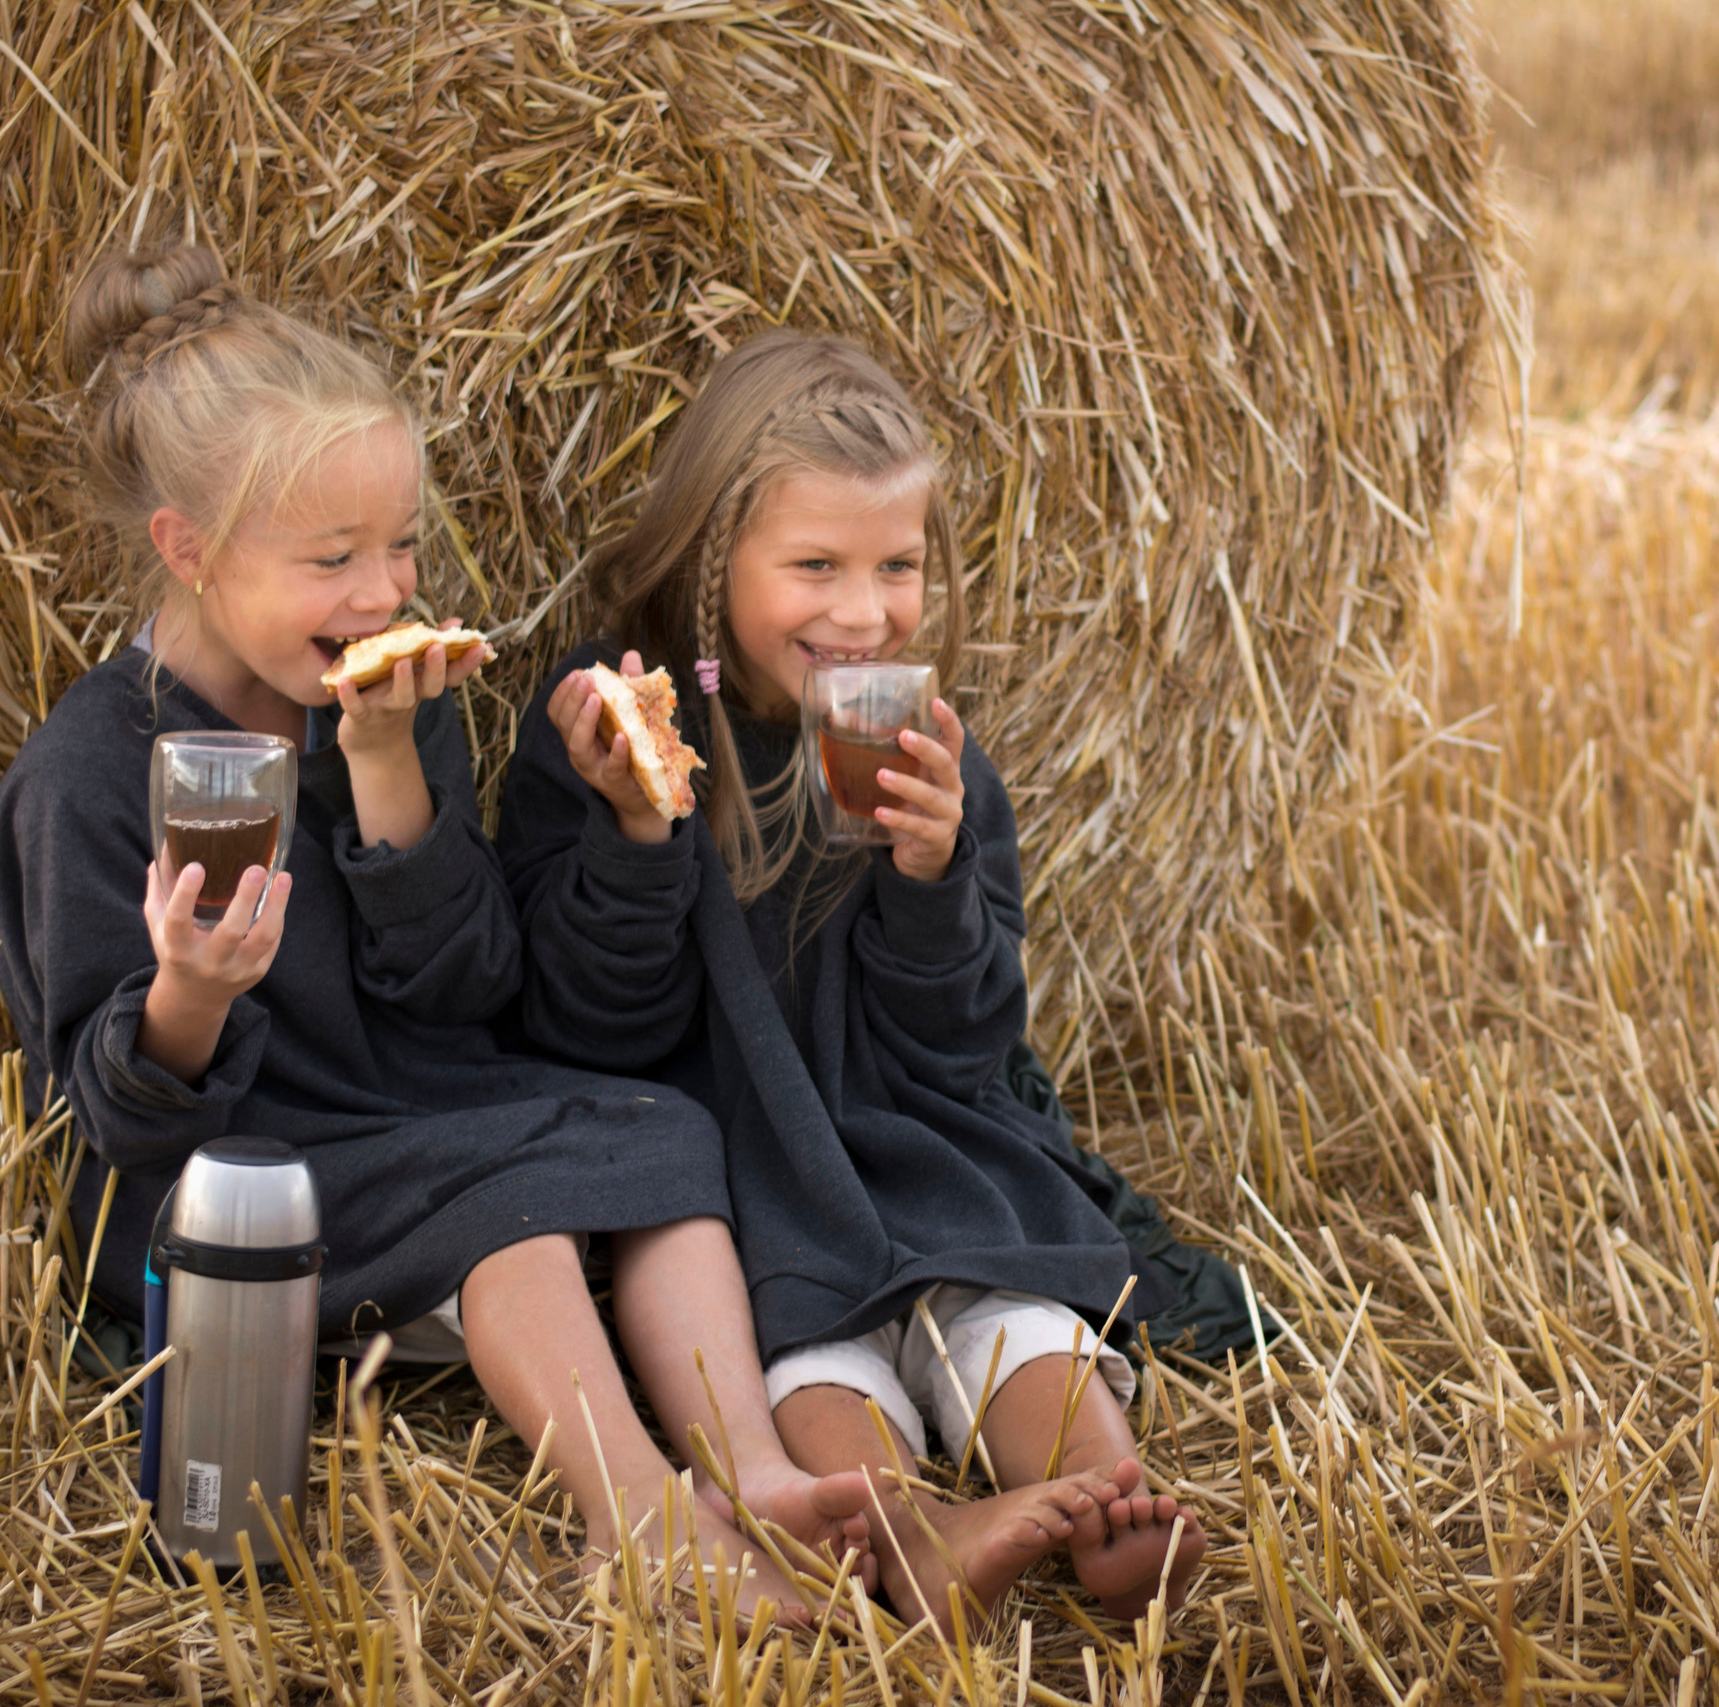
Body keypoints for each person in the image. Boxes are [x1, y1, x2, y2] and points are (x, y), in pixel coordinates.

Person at [0, 248, 869, 1621]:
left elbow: (463, 988)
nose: (381, 590)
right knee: (505, 1213)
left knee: (661, 1132)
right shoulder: (88, 772)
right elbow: (117, 1122)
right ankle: (634, 1518)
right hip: (225, 1181)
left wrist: (386, 766)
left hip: (413, 1104)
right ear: (190, 550)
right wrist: (189, 995)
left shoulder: (393, 697)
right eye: (331, 559)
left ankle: (750, 1469)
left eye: (399, 545)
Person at [498, 330, 1207, 1624]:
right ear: (717, 557)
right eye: (814, 566)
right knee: (812, 1355)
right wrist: (640, 833)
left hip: (918, 1129)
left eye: (898, 567)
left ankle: (1106, 1494)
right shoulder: (624, 726)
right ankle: (912, 1530)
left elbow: (965, 1043)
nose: (864, 613)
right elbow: (593, 1026)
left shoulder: (934, 754)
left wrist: (933, 875)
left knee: (1011, 1302)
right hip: (746, 1160)